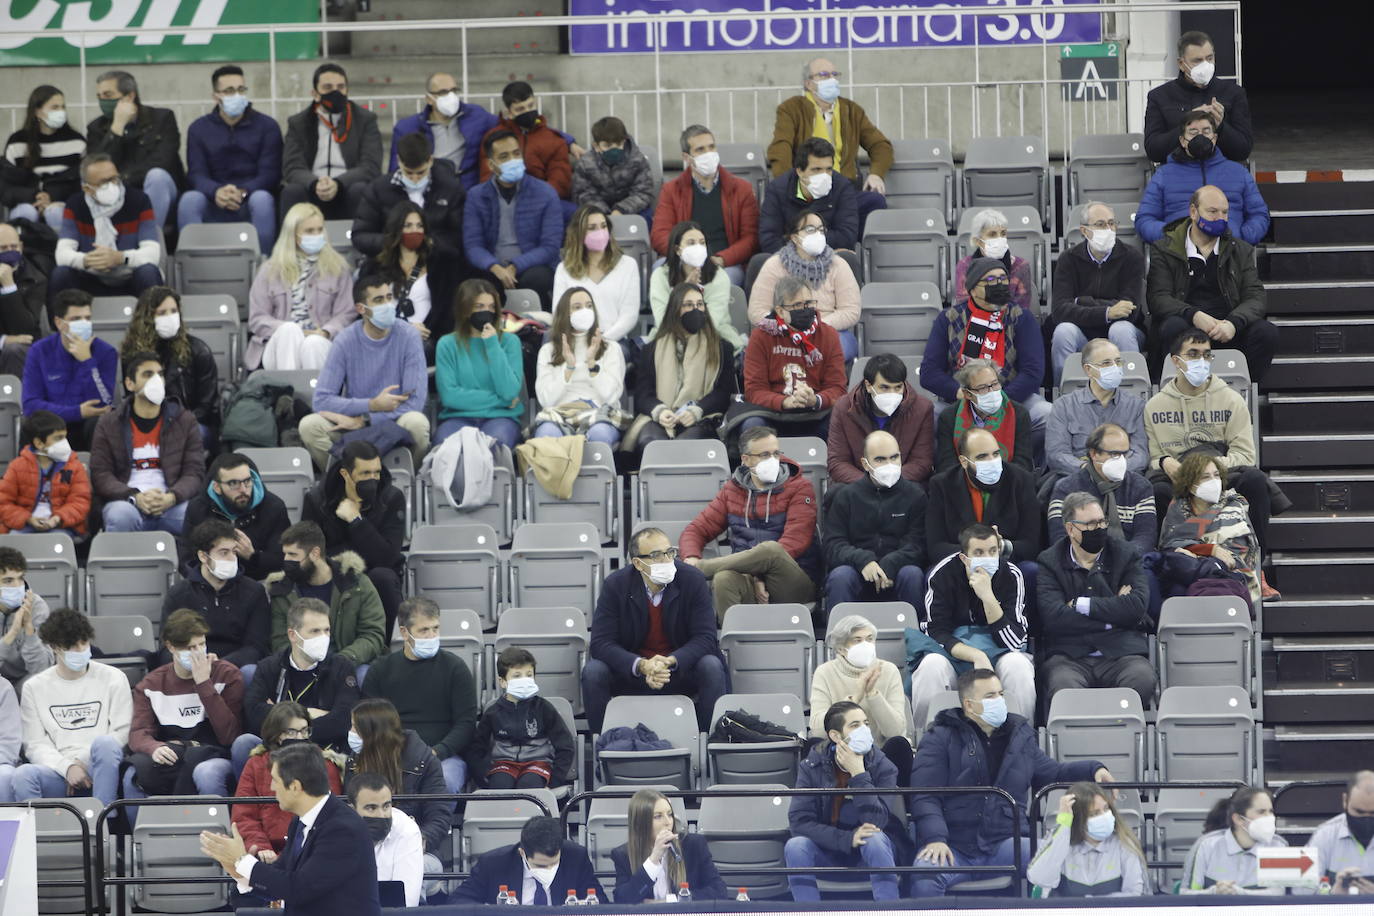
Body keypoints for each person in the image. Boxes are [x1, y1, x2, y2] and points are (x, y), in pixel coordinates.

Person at [910, 668, 1114, 897]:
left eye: (1000, 694)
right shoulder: (939, 737)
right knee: (925, 874)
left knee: (1061, 859)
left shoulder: (1020, 737)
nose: (998, 701)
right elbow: (924, 794)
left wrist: (1094, 769)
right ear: (969, 705)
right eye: (990, 696)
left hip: (1006, 843)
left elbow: (1054, 773)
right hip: (954, 846)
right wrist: (936, 839)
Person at [201, 741, 381, 916]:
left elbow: (299, 889)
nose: (271, 787)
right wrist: (237, 870)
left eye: (275, 780)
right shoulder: (300, 821)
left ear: (295, 786)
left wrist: (242, 861)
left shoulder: (342, 830)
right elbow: (280, 882)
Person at [581, 527, 729, 733]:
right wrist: (642, 666)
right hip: (635, 673)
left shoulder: (691, 579)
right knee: (593, 672)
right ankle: (603, 746)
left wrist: (670, 661)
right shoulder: (616, 585)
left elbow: (706, 638)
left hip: (679, 670)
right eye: (656, 556)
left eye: (670, 553)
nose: (667, 560)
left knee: (711, 665)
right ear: (638, 563)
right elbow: (601, 643)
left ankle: (708, 743)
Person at [1145, 329, 1274, 561]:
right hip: (1177, 476)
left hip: (1221, 471)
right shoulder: (1155, 406)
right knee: (1156, 491)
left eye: (1206, 355)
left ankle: (1258, 564)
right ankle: (1163, 561)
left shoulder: (1231, 400)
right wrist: (1165, 462)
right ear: (1176, 361)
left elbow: (1245, 456)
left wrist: (1206, 470)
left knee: (1255, 480)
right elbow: (1153, 457)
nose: (1201, 361)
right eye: (1193, 354)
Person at [681, 426, 820, 621]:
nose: (772, 460)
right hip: (748, 576)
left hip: (792, 580)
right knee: (723, 579)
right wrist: (690, 557)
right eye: (764, 455)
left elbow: (795, 542)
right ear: (745, 459)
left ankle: (701, 570)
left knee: (771, 550)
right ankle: (733, 643)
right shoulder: (732, 491)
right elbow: (696, 529)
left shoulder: (799, 487)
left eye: (775, 453)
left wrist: (758, 576)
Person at [298, 273, 430, 472]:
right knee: (309, 426)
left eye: (388, 297)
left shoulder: (409, 335)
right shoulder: (345, 340)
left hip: (393, 421)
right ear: (361, 309)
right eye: (378, 300)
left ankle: (406, 483)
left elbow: (416, 401)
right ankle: (344, 479)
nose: (387, 305)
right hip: (354, 421)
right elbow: (321, 400)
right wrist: (371, 405)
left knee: (417, 423)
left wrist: (367, 419)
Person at [910, 522, 1035, 728]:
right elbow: (936, 633)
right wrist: (976, 656)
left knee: (1019, 666)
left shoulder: (1012, 574)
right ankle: (925, 740)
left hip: (999, 652)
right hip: (954, 655)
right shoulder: (942, 574)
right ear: (964, 557)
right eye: (979, 552)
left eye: (993, 551)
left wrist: (988, 597)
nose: (987, 558)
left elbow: (1014, 640)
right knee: (930, 666)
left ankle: (1022, 738)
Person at [1146, 186, 1277, 383]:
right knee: (1171, 327)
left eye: (1224, 213)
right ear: (1193, 212)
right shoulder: (1164, 249)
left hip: (1227, 328)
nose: (1220, 218)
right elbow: (1158, 298)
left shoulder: (1240, 250)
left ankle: (1243, 392)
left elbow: (1255, 297)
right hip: (1187, 326)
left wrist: (1234, 322)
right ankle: (1173, 391)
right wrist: (1194, 315)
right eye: (1213, 211)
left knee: (1266, 332)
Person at [1037, 492, 1156, 708]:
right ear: (1070, 529)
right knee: (1063, 685)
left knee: (1142, 677)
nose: (1100, 529)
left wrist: (1080, 605)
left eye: (1102, 521)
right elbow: (1054, 618)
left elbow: (1137, 607)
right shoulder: (1049, 561)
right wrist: (1114, 615)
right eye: (1091, 524)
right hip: (1069, 656)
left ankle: (1121, 733)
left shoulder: (1125, 553)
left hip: (1121, 653)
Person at [923, 258, 1049, 459]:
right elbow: (929, 373)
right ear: (973, 289)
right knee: (927, 416)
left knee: (1046, 414)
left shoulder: (1021, 318)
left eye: (1002, 279)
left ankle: (1029, 470)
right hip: (960, 400)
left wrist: (1000, 399)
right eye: (990, 280)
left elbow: (1033, 373)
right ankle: (949, 471)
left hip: (1012, 399)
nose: (998, 285)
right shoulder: (948, 318)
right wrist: (961, 394)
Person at [785, 701, 902, 902]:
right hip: (828, 851)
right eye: (855, 725)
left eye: (866, 723)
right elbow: (799, 822)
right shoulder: (811, 767)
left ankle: (888, 909)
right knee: (795, 846)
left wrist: (858, 773)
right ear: (835, 736)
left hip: (871, 854)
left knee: (874, 838)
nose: (864, 730)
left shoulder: (884, 767)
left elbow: (878, 822)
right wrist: (847, 838)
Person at [13, 608, 130, 805]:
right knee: (23, 775)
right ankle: (39, 835)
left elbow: (121, 732)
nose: (80, 650)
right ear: (54, 647)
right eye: (72, 646)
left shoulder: (113, 677)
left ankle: (101, 825)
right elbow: (34, 744)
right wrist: (67, 768)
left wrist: (81, 762)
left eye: (83, 643)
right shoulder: (34, 687)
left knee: (105, 744)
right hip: (58, 770)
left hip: (101, 765)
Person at [362, 597, 478, 794]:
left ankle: (440, 826)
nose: (432, 635)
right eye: (424, 630)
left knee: (446, 782)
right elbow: (370, 721)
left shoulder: (455, 668)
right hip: (392, 754)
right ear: (404, 632)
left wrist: (437, 752)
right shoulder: (381, 670)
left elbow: (466, 723)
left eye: (435, 628)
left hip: (443, 756)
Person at [126, 608, 243, 798]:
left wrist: (204, 684)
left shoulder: (227, 675)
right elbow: (138, 733)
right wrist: (153, 748)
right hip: (172, 751)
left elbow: (229, 735)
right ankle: (142, 828)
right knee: (133, 776)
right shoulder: (151, 684)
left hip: (214, 752)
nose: (198, 652)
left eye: (201, 644)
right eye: (190, 648)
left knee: (206, 773)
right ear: (171, 647)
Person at [767, 58, 890, 228]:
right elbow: (781, 147)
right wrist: (789, 188)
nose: (831, 79)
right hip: (808, 192)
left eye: (834, 74)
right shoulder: (791, 109)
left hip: (842, 192)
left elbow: (880, 145)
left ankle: (850, 250)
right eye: (824, 75)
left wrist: (876, 173)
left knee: (875, 201)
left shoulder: (851, 110)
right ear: (809, 84)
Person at [301, 440, 405, 640]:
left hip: (378, 574)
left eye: (376, 472)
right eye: (365, 474)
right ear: (345, 474)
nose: (373, 479)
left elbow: (387, 557)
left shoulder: (391, 498)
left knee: (383, 575)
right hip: (333, 572)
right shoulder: (318, 500)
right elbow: (312, 552)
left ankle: (386, 647)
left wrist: (356, 521)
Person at [90, 351, 205, 534]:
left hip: (170, 502)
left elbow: (194, 472)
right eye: (148, 374)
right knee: (119, 516)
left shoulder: (185, 420)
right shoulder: (109, 423)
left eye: (159, 374)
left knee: (192, 516)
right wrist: (134, 496)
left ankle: (188, 563)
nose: (156, 380)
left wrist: (172, 497)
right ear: (130, 383)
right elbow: (101, 474)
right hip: (127, 502)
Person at [345, 698, 451, 891]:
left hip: (419, 850)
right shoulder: (354, 761)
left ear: (372, 733)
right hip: (365, 849)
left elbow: (440, 816)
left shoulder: (423, 761)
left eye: (354, 728)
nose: (350, 734)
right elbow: (348, 812)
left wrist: (417, 842)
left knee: (415, 871)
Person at [179, 65, 282, 254]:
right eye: (229, 91)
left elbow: (270, 173)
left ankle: (264, 265)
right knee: (189, 200)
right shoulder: (198, 128)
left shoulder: (267, 126)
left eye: (241, 90)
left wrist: (244, 192)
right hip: (213, 199)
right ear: (215, 96)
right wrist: (216, 192)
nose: (237, 95)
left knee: (262, 199)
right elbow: (196, 173)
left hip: (251, 197)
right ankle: (192, 263)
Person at [242, 597, 361, 761]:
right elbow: (254, 714)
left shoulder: (342, 667)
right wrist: (309, 714)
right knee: (243, 743)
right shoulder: (269, 667)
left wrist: (280, 715)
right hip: (277, 751)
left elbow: (344, 719)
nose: (323, 637)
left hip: (325, 751)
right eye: (315, 631)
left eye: (326, 630)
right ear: (293, 635)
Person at [245, 202, 356, 372]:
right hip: (277, 344)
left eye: (320, 230)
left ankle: (312, 397)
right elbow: (257, 318)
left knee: (313, 344)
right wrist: (293, 331)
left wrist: (326, 332)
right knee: (289, 331)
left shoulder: (338, 267)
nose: (317, 235)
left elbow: (346, 313)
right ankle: (289, 393)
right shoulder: (270, 270)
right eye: (309, 231)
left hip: (322, 341)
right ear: (293, 235)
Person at [823, 430, 928, 610]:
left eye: (894, 457)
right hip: (858, 571)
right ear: (865, 463)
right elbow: (833, 544)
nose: (890, 464)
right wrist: (864, 560)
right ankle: (839, 636)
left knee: (912, 574)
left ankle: (917, 634)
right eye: (880, 459)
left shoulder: (916, 495)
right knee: (840, 576)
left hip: (898, 571)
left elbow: (919, 544)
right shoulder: (846, 496)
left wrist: (891, 563)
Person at [233, 701, 346, 867]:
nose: (300, 738)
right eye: (292, 732)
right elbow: (244, 815)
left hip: (311, 854)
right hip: (266, 854)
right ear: (277, 734)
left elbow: (331, 816)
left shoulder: (325, 764)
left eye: (304, 731)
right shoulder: (256, 764)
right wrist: (261, 847)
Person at [627, 281, 735, 454]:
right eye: (688, 305)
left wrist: (697, 410)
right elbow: (643, 394)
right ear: (675, 310)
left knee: (685, 445)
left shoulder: (721, 348)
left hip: (703, 418)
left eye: (700, 304)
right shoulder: (651, 349)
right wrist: (660, 412)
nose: (696, 310)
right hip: (661, 419)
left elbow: (724, 393)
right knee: (650, 443)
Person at [266, 522, 387, 671]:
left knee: (363, 674)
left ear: (315, 553)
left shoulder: (357, 584)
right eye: (285, 554)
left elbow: (372, 634)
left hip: (349, 663)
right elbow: (280, 641)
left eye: (293, 555)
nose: (286, 561)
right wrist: (305, 663)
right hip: (301, 667)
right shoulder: (282, 591)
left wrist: (343, 660)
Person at [463, 129, 562, 309]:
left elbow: (550, 246)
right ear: (491, 165)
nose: (512, 160)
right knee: (475, 281)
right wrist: (494, 267)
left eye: (516, 154)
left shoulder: (545, 193)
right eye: (504, 156)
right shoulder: (476, 196)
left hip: (532, 266)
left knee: (538, 278)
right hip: (493, 267)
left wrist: (515, 266)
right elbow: (473, 245)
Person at [1049, 202, 1146, 384]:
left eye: (1111, 223)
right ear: (1084, 231)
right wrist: (1107, 312)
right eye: (1101, 224)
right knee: (1063, 331)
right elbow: (1060, 311)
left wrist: (1080, 301)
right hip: (1081, 333)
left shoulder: (1132, 257)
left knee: (1121, 329)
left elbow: (1128, 310)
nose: (1108, 229)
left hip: (1121, 330)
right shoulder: (1068, 259)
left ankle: (1130, 391)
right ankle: (1062, 394)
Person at [1136, 114, 1270, 246]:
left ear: (1215, 138)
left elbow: (1259, 214)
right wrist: (1173, 237)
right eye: (1193, 132)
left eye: (1206, 131)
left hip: (1230, 252)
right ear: (1182, 140)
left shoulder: (1239, 172)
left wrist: (1241, 237)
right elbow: (1145, 220)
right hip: (1179, 254)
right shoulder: (1163, 175)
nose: (1200, 137)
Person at [651, 125, 758, 285]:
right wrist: (685, 255)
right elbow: (659, 234)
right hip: (684, 260)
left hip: (724, 263)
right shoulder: (672, 190)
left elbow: (751, 238)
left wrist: (722, 259)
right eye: (700, 149)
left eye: (711, 147)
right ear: (687, 158)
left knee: (726, 280)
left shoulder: (741, 189)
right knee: (659, 270)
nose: (708, 153)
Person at [741, 275, 847, 438]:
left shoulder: (828, 335)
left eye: (809, 303)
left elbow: (837, 387)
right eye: (797, 305)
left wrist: (816, 400)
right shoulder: (761, 336)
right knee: (753, 426)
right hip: (773, 413)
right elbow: (754, 390)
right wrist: (784, 401)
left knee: (841, 421)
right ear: (780, 311)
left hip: (815, 412)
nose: (805, 309)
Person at [748, 210, 861, 362]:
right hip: (783, 333)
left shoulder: (838, 265)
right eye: (810, 230)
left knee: (836, 348)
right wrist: (786, 329)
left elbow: (851, 311)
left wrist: (817, 327)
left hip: (828, 331)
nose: (818, 234)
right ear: (795, 237)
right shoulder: (774, 265)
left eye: (821, 230)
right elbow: (757, 311)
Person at [50, 153, 164, 300]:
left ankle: (153, 322)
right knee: (61, 274)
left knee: (149, 272)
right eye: (104, 183)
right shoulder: (75, 205)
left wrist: (120, 257)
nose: (112, 186)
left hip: (129, 277)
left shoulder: (139, 200)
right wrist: (87, 260)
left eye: (114, 179)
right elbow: (62, 254)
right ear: (88, 189)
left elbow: (152, 254)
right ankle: (60, 323)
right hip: (90, 278)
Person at [162, 518, 271, 670]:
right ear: (203, 556)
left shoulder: (254, 592)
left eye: (234, 552)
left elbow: (256, 647)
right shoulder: (179, 594)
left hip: (234, 669)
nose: (232, 559)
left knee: (250, 671)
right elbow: (167, 647)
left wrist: (219, 664)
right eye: (223, 553)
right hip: (190, 666)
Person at [1158, 452, 1263, 606]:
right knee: (1175, 589)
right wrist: (1211, 549)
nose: (1214, 481)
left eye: (1216, 475)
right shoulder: (1177, 508)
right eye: (1205, 477)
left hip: (1227, 575)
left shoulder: (1233, 506)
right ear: (1190, 483)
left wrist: (1196, 553)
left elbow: (1236, 554)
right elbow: (1170, 545)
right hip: (1187, 572)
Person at [280, 62, 381, 220]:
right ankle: (290, 244)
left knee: (360, 189)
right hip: (312, 187)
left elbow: (370, 166)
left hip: (348, 186)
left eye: (341, 87)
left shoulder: (365, 120)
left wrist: (338, 183)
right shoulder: (298, 123)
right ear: (315, 93)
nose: (336, 92)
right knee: (291, 191)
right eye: (328, 87)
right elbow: (292, 167)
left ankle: (361, 243)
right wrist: (315, 184)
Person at [926, 429, 1041, 565]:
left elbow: (1032, 545)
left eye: (996, 454)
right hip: (959, 565)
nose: (991, 461)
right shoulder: (942, 485)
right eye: (982, 457)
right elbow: (935, 547)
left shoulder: (1021, 480)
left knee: (1031, 569)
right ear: (964, 461)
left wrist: (1000, 546)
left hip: (1006, 563)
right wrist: (975, 552)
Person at [119, 285, 219, 442]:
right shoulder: (132, 353)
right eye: (162, 313)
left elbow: (207, 405)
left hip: (191, 423)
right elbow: (131, 396)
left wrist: (180, 422)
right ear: (147, 317)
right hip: (145, 421)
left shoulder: (198, 350)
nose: (170, 317)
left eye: (174, 311)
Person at [468, 646, 576, 790]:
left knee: (529, 787)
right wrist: (483, 777)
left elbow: (565, 746)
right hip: (503, 765)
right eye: (517, 676)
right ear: (502, 682)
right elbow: (476, 748)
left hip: (537, 764)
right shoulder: (493, 712)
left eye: (529, 674)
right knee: (500, 786)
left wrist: (554, 781)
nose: (524, 680)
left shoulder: (544, 708)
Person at [85, 70, 183, 227]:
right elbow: (97, 170)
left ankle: (150, 239)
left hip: (155, 190)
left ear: (130, 96)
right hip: (117, 194)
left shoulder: (162, 119)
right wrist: (116, 128)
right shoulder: (96, 128)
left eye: (108, 95)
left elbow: (163, 161)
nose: (102, 101)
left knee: (157, 176)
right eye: (99, 96)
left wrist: (124, 179)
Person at [434, 277, 524, 449]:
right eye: (479, 307)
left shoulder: (509, 342)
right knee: (446, 446)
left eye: (491, 307)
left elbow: (510, 390)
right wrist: (503, 401)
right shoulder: (447, 344)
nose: (486, 312)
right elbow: (450, 396)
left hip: (500, 418)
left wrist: (492, 345)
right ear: (464, 309)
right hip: (458, 417)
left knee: (494, 445)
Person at [22, 289, 117, 450]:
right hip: (52, 426)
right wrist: (77, 412)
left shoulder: (106, 352)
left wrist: (87, 362)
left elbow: (103, 404)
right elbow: (31, 405)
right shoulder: (39, 351)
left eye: (87, 318)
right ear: (59, 323)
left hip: (87, 428)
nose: (84, 323)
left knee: (99, 422)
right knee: (30, 424)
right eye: (76, 319)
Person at [810, 617, 915, 760]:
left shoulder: (889, 670)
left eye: (869, 639)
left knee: (899, 744)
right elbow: (818, 730)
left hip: (881, 753)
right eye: (857, 640)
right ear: (841, 649)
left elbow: (895, 731)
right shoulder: (825, 672)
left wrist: (873, 694)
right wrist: (854, 699)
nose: (866, 645)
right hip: (839, 752)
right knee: (813, 744)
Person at [532, 287, 627, 444]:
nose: (585, 311)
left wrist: (591, 364)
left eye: (589, 306)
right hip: (559, 414)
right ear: (565, 313)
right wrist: (568, 368)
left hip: (599, 415)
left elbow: (610, 397)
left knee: (600, 435)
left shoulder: (611, 348)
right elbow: (546, 400)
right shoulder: (547, 351)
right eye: (577, 307)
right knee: (546, 435)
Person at [1045, 339, 1148, 482]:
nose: (1115, 367)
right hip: (1077, 479)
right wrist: (1091, 471)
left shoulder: (1136, 406)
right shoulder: (1064, 406)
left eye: (1118, 362)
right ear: (1088, 369)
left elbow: (1141, 456)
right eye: (1106, 363)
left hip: (1124, 479)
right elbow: (1056, 455)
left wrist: (1112, 471)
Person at [1049, 423, 1159, 557]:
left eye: (1125, 453)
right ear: (1094, 454)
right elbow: (1060, 538)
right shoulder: (1066, 489)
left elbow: (1145, 537)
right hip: (1082, 564)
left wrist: (1119, 560)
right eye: (1114, 454)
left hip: (1129, 563)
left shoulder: (1141, 486)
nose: (1121, 460)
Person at [353, 131, 464, 263]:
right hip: (389, 264)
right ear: (399, 161)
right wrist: (396, 242)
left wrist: (429, 243)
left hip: (437, 264)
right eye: (409, 173)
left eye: (421, 173)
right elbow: (360, 236)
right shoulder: (378, 189)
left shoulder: (450, 189)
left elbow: (459, 237)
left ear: (430, 161)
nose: (415, 178)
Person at [1143, 30, 1252, 164]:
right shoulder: (1159, 96)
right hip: (1178, 176)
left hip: (1221, 175)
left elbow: (1243, 150)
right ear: (1181, 64)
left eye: (1209, 58)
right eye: (1197, 61)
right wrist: (1187, 125)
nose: (1206, 65)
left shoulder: (1233, 93)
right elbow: (1153, 151)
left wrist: (1221, 126)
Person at [359, 200, 454, 353]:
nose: (414, 230)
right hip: (386, 335)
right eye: (408, 226)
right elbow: (366, 309)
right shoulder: (375, 266)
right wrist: (403, 329)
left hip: (426, 340)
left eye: (419, 225)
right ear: (396, 229)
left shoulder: (440, 265)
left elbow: (446, 312)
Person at [827, 353, 935, 486]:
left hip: (904, 486)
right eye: (884, 387)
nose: (892, 393)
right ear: (868, 385)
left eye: (898, 387)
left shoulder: (922, 409)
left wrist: (892, 482)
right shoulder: (843, 408)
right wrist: (870, 485)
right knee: (836, 493)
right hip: (858, 486)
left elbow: (922, 461)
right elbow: (838, 462)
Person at [182, 451, 291, 581]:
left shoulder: (273, 507)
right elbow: (186, 557)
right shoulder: (198, 508)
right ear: (217, 487)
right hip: (209, 582)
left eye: (247, 481)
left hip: (257, 582)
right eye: (234, 483)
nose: (243, 490)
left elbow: (282, 560)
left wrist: (253, 556)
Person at [1027, 782, 1149, 897]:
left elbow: (1135, 895)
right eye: (1095, 814)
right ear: (1078, 819)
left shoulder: (1125, 844)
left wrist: (1091, 904)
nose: (1104, 816)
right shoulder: (1061, 842)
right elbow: (1040, 879)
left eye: (1106, 809)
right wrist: (1063, 825)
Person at [451, 814, 604, 905]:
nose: (548, 870)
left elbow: (601, 904)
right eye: (540, 866)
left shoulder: (576, 858)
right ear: (522, 853)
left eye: (553, 864)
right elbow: (459, 902)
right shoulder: (494, 863)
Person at [389, 71, 500, 190]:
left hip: (469, 187)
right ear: (429, 99)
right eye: (443, 92)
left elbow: (505, 125)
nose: (451, 96)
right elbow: (396, 170)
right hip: (430, 190)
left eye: (454, 91)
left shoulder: (476, 115)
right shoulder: (407, 128)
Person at [613, 788, 728, 902]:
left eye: (670, 814)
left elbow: (719, 891)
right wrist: (652, 861)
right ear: (640, 823)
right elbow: (622, 900)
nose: (668, 822)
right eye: (658, 816)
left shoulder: (693, 845)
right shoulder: (623, 855)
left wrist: (673, 900)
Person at [647, 220, 742, 353]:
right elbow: (662, 320)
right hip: (669, 338)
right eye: (691, 243)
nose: (698, 247)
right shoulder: (660, 276)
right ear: (677, 249)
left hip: (713, 337)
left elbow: (712, 321)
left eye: (702, 243)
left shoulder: (719, 276)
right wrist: (684, 292)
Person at [479, 81, 575, 211]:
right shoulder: (495, 138)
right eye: (520, 109)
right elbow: (487, 176)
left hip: (542, 202)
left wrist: (536, 200)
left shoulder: (553, 140)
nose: (528, 111)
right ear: (509, 112)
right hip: (504, 203)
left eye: (531, 105)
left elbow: (560, 181)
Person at [553, 204, 641, 344]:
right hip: (575, 341)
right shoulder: (564, 269)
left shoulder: (628, 265)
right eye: (592, 228)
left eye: (603, 226)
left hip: (614, 341)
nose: (600, 232)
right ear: (579, 234)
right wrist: (580, 344)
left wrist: (602, 342)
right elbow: (559, 313)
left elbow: (629, 316)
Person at [2, 85, 85, 230]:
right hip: (26, 203)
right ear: (37, 112)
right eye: (54, 107)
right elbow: (7, 187)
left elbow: (81, 181)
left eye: (62, 107)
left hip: (63, 202)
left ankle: (61, 251)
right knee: (26, 213)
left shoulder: (76, 142)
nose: (61, 112)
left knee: (55, 213)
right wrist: (36, 196)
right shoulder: (18, 142)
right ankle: (22, 251)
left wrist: (51, 196)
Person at [759, 137, 860, 254]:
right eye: (816, 169)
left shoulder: (842, 187)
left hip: (830, 258)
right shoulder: (777, 189)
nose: (824, 176)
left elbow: (847, 237)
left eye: (828, 169)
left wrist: (801, 238)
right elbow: (769, 240)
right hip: (788, 261)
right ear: (799, 171)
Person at [933, 358, 1034, 474]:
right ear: (967, 394)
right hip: (964, 485)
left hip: (1009, 483)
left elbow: (1023, 464)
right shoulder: (949, 418)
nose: (991, 391)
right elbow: (947, 467)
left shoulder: (1019, 414)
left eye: (995, 384)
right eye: (983, 388)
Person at [0, 410, 90, 539]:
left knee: (57, 541)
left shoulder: (74, 466)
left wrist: (57, 518)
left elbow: (80, 502)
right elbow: (3, 503)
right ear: (39, 443)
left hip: (61, 527)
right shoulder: (16, 467)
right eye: (58, 438)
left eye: (64, 437)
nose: (64, 443)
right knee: (15, 541)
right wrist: (28, 519)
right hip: (23, 526)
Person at [1179, 785, 1284, 895]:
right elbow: (1186, 893)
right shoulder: (1206, 846)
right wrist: (1214, 892)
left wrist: (1240, 893)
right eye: (1261, 812)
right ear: (1238, 819)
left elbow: (1278, 893)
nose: (1270, 817)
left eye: (1271, 811)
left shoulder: (1278, 846)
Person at [349, 772, 426, 907]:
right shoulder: (336, 831)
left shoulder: (406, 831)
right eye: (371, 808)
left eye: (386, 806)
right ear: (352, 810)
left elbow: (407, 902)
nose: (381, 815)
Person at [1301, 770, 1374, 895]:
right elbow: (1301, 891)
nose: (1366, 819)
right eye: (1359, 812)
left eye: (1373, 813)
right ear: (1345, 800)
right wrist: (1333, 894)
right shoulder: (1324, 835)